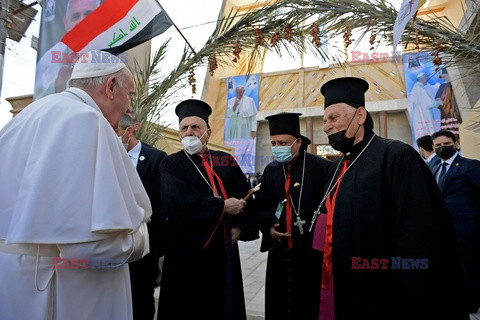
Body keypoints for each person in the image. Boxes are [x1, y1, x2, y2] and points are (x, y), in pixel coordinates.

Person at [0, 49, 151, 320]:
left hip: (14, 283)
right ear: (111, 86)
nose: (129, 108)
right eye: (130, 93)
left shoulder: (29, 114)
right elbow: (89, 247)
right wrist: (140, 238)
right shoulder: (88, 121)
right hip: (63, 292)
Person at [310, 76, 470, 319]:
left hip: (382, 293)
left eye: (333, 118)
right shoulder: (338, 166)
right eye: (324, 120)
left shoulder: (397, 156)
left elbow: (418, 239)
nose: (326, 127)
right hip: (340, 284)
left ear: (360, 116)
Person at [157, 99, 258, 320]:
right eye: (184, 128)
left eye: (195, 127)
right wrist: (222, 206)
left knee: (222, 306)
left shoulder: (225, 160)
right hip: (185, 253)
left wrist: (240, 228)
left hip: (223, 253)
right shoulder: (170, 164)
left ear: (208, 132)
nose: (189, 132)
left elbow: (246, 198)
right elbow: (176, 202)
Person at [255, 112, 331, 319]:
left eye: (283, 142)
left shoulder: (321, 167)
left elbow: (330, 208)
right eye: (273, 143)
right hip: (280, 252)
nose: (277, 147)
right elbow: (261, 205)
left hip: (309, 251)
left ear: (298, 142)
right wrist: (269, 226)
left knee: (307, 304)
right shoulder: (271, 170)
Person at [116, 113, 167, 320]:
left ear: (129, 131)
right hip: (117, 240)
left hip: (146, 242)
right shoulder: (109, 156)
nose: (113, 137)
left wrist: (130, 179)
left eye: (116, 132)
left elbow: (161, 197)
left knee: (141, 295)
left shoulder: (156, 157)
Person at [431, 129, 480, 313]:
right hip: (446, 231)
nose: (443, 148)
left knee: (472, 269)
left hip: (469, 231)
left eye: (446, 144)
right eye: (438, 146)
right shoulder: (435, 168)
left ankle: (474, 302)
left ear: (455, 143)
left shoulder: (470, 166)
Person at [35, 0, 100, 99]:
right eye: (76, 16)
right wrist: (59, 86)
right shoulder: (48, 59)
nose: (81, 21)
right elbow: (38, 100)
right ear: (66, 23)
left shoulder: (112, 49)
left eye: (88, 14)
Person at [408, 71, 441, 138]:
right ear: (422, 79)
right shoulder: (420, 89)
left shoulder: (415, 89)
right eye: (426, 78)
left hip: (419, 117)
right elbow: (429, 103)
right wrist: (438, 102)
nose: (427, 79)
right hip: (425, 117)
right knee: (430, 135)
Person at [435, 68, 463, 133]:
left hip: (453, 110)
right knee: (446, 128)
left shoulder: (452, 85)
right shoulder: (442, 86)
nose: (444, 78)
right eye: (443, 77)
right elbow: (437, 97)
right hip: (444, 111)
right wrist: (441, 102)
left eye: (445, 76)